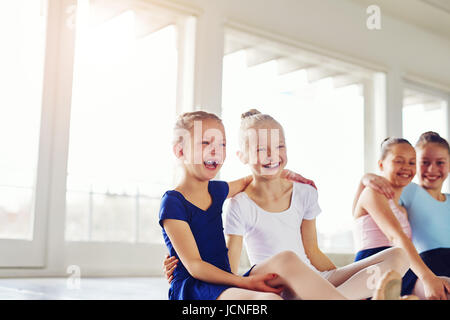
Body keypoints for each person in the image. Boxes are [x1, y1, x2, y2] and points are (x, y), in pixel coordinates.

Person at [161, 110, 409, 300]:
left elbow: (252, 176)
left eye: (221, 144)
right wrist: (235, 280)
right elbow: (205, 265)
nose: (215, 151)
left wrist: (285, 172)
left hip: (291, 276)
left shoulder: (218, 190)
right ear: (179, 150)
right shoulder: (185, 201)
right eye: (206, 144)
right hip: (232, 281)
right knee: (279, 279)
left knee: (399, 255)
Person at [352, 135, 450, 300]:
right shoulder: (372, 192)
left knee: (445, 289)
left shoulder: (401, 210)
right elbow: (395, 236)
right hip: (375, 265)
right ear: (381, 164)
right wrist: (364, 179)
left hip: (402, 267)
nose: (406, 167)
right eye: (399, 161)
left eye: (411, 162)